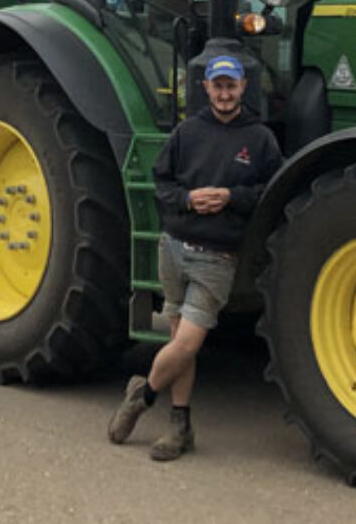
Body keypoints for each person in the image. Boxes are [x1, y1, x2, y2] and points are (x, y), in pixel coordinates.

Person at [108, 53, 283, 460]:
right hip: (173, 248)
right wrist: (188, 199)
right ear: (206, 88)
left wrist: (230, 197)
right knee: (179, 342)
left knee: (187, 343)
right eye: (217, 86)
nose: (224, 93)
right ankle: (180, 425)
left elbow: (271, 192)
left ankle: (142, 394)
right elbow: (162, 182)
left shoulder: (260, 139)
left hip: (217, 256)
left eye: (231, 86)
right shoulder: (187, 133)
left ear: (243, 87)